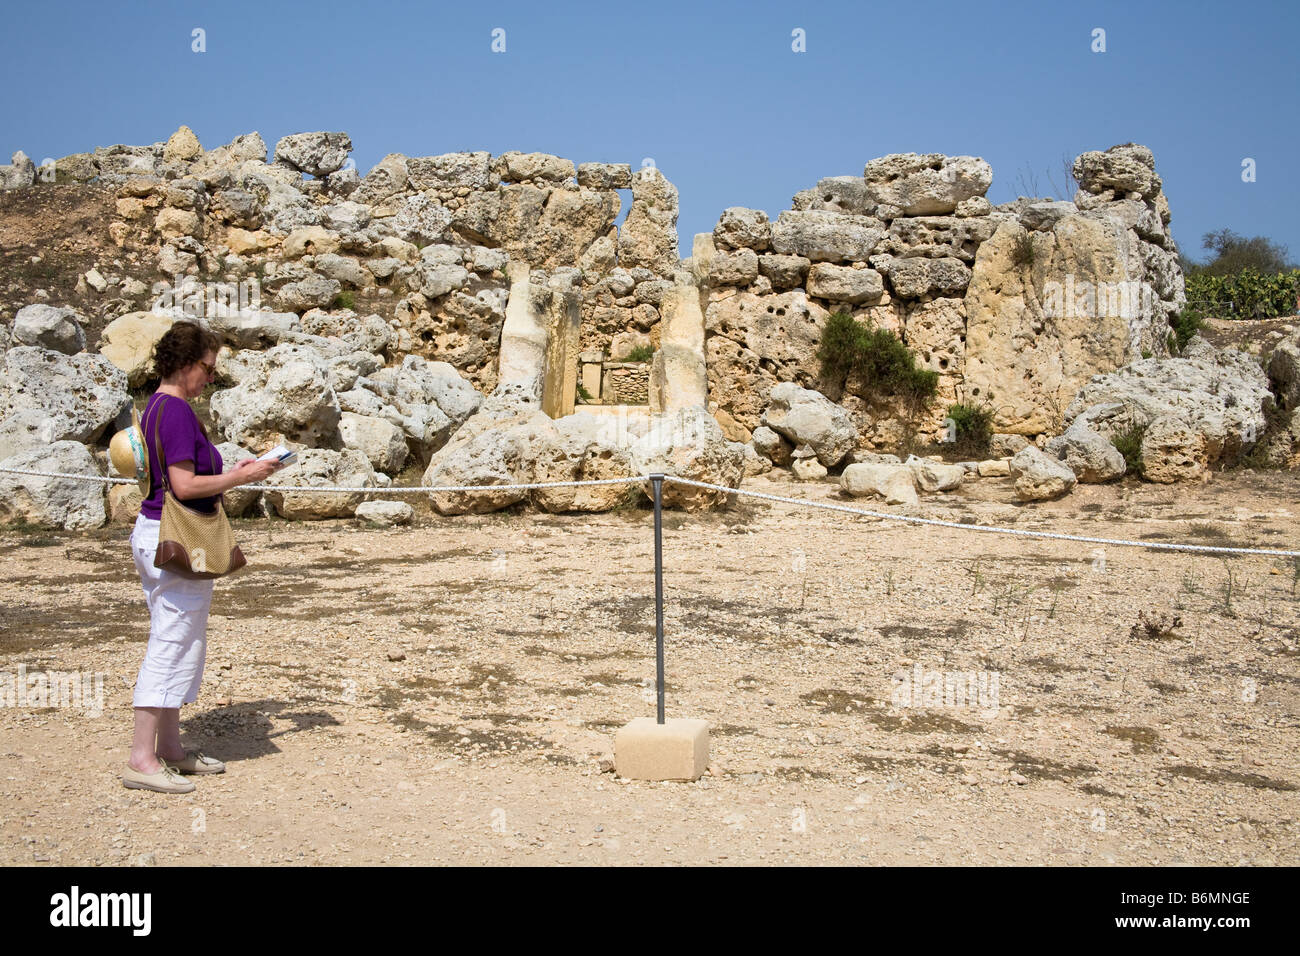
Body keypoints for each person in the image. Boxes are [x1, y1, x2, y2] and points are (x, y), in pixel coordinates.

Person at [123, 322, 281, 794]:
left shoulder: (155, 406)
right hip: (177, 535)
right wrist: (244, 476)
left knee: (180, 637)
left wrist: (229, 472)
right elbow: (185, 486)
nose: (210, 379)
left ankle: (169, 747)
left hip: (156, 531)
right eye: (208, 369)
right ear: (186, 363)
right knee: (172, 641)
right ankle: (141, 757)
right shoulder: (174, 412)